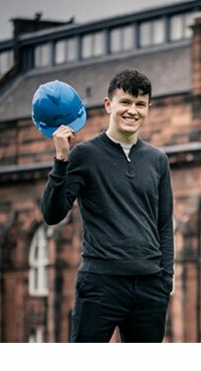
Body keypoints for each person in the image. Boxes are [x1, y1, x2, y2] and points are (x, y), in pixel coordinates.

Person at [40, 69, 173, 343]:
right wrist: (61, 160)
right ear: (108, 104)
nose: (132, 111)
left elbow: (164, 225)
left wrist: (165, 281)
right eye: (125, 102)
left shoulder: (158, 160)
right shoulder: (84, 155)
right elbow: (52, 214)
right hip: (100, 284)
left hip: (149, 287)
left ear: (149, 107)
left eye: (139, 104)